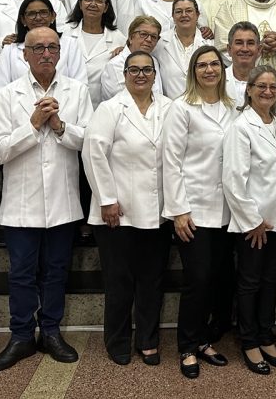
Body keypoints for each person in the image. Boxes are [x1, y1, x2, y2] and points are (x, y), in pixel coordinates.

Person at [0, 27, 94, 371]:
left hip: (63, 200)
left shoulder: (77, 91)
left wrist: (60, 125)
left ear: (60, 53)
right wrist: (33, 125)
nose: (46, 53)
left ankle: (50, 332)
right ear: (25, 54)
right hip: (21, 204)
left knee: (56, 272)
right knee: (21, 273)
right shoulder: (7, 95)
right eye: (38, 48)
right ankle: (20, 336)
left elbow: (89, 142)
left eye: (52, 47)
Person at [83, 50, 173, 366]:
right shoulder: (110, 109)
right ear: (124, 75)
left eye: (147, 70)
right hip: (117, 212)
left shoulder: (169, 108)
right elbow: (93, 153)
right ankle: (118, 340)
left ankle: (147, 340)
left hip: (158, 211)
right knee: (119, 281)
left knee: (152, 280)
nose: (140, 75)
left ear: (155, 75)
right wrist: (107, 199)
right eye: (133, 70)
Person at [162, 46, 236, 379]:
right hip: (193, 210)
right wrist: (178, 210)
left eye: (214, 64)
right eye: (202, 65)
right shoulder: (181, 108)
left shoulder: (232, 107)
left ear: (222, 69)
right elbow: (171, 161)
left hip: (227, 211)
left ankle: (204, 339)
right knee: (198, 279)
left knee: (217, 278)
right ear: (193, 71)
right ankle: (188, 347)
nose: (209, 70)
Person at [223, 65, 276, 375]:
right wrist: (252, 220)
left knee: (269, 281)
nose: (268, 91)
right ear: (248, 90)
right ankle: (249, 341)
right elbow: (233, 179)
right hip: (253, 224)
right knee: (250, 283)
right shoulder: (241, 127)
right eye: (261, 86)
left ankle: (266, 336)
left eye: (273, 87)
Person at [0, 0, 87, 91]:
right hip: (19, 100)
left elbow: (80, 86)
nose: (38, 18)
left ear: (53, 16)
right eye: (31, 14)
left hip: (63, 100)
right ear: (23, 19)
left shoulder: (70, 44)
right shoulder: (10, 49)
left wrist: (55, 101)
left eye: (43, 13)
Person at [61, 0, 127, 107]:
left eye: (99, 1)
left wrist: (125, 53)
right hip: (67, 103)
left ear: (106, 7)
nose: (93, 4)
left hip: (102, 105)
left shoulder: (118, 38)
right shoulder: (64, 32)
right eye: (88, 0)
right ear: (80, 4)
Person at [155, 0, 215, 98]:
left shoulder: (210, 43)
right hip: (171, 105)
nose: (184, 15)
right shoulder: (160, 42)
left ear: (197, 15)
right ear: (173, 16)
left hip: (203, 103)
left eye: (189, 11)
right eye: (178, 12)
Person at [100, 16, 165, 100]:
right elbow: (123, 101)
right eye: (143, 34)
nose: (149, 39)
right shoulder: (115, 65)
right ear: (131, 37)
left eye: (153, 36)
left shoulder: (154, 61)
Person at [224, 21, 262, 105]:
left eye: (250, 43)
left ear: (259, 50)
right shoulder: (217, 81)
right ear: (229, 49)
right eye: (239, 43)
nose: (245, 49)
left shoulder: (271, 85)